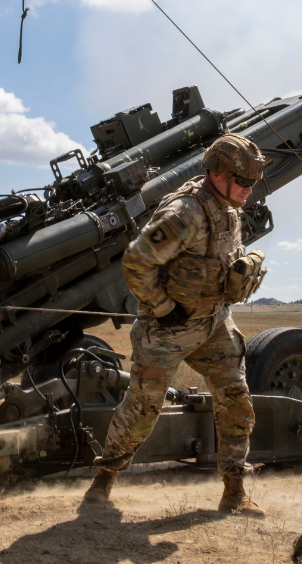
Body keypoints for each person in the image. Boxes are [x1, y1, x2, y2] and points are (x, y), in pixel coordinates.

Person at [84, 134, 269, 517]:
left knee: (236, 399)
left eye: (253, 182)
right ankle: (104, 479)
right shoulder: (185, 214)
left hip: (213, 323)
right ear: (217, 174)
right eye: (243, 181)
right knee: (142, 409)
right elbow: (137, 261)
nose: (249, 190)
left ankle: (234, 492)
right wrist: (165, 308)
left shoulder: (229, 207)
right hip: (168, 330)